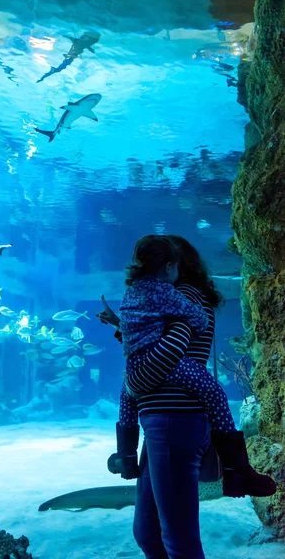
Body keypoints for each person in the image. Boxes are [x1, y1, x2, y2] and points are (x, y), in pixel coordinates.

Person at [97, 235, 276, 559]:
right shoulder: (165, 295)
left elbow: (170, 349)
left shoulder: (185, 298)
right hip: (160, 422)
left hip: (173, 418)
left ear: (176, 266)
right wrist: (122, 330)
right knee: (147, 533)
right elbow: (149, 339)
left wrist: (135, 380)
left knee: (178, 540)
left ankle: (239, 471)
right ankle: (236, 472)